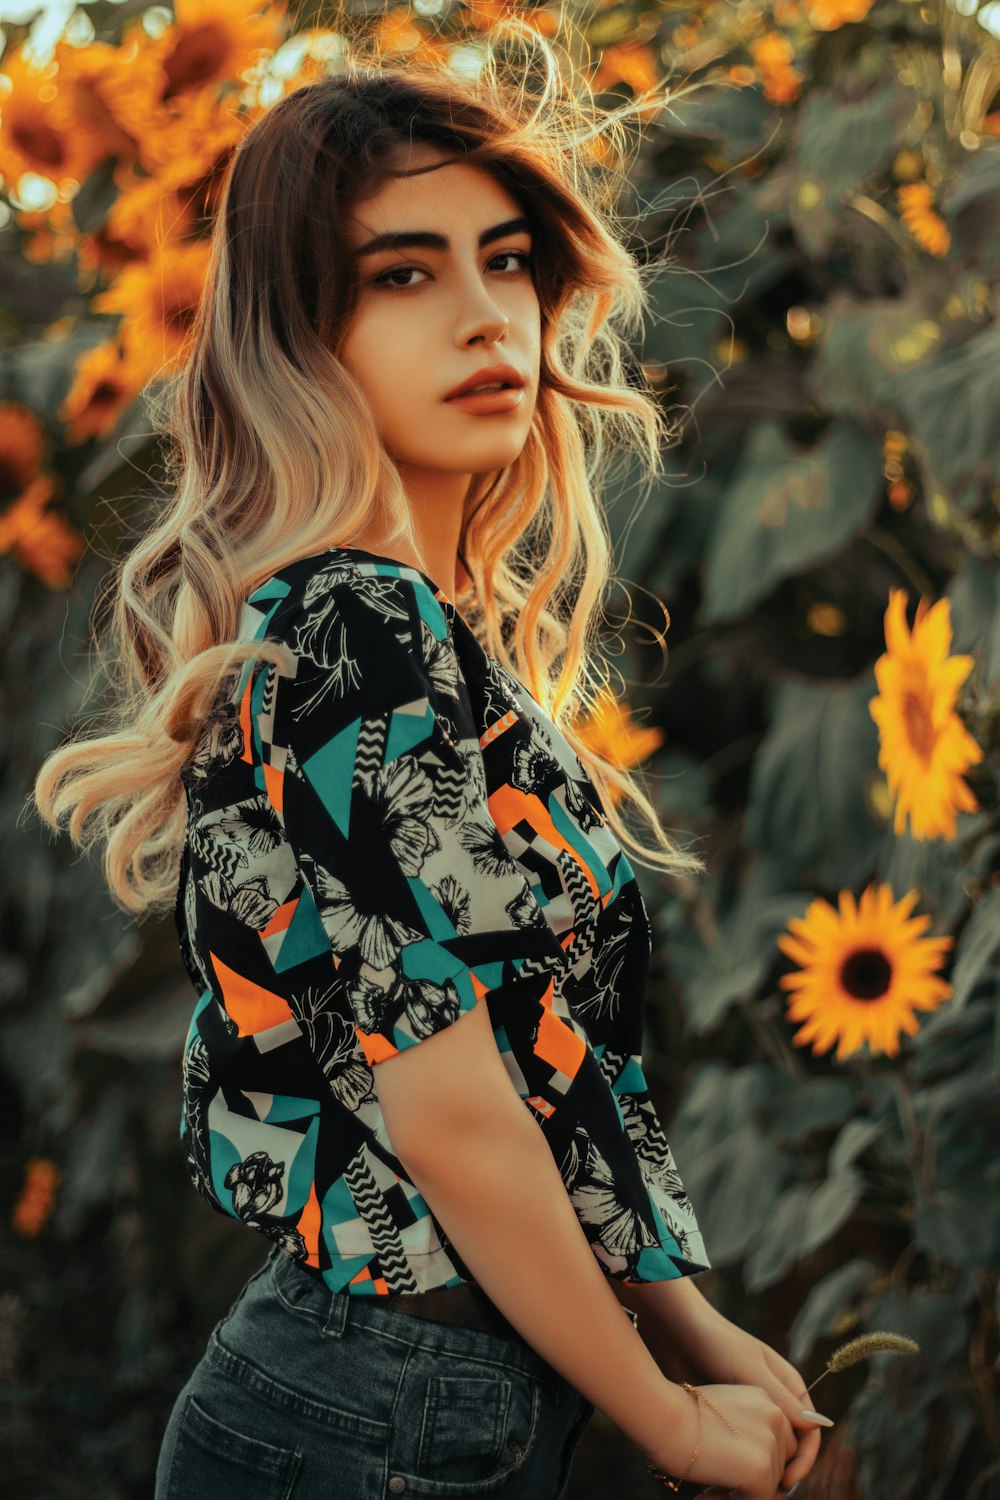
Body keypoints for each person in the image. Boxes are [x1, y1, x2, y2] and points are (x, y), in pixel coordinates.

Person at [32, 20, 832, 1500]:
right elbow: (450, 1112)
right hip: (374, 1414)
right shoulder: (350, 626)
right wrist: (668, 1419)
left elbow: (540, 1058)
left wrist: (697, 1330)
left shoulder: (412, 630)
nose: (485, 317)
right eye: (403, 274)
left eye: (508, 258)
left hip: (409, 1396)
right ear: (301, 335)